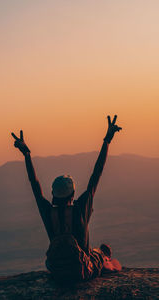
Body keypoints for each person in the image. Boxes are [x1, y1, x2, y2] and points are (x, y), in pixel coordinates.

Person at [11, 115, 122, 281]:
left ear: (54, 195)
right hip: (82, 269)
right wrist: (107, 140)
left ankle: (101, 254)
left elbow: (34, 184)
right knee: (104, 259)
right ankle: (106, 257)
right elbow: (96, 173)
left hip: (57, 269)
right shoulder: (80, 209)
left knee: (94, 253)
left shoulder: (48, 212)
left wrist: (26, 154)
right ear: (73, 194)